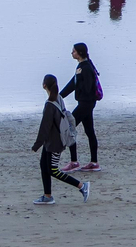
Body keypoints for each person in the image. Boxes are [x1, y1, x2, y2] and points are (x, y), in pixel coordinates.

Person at [31, 74, 88, 205]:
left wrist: (37, 145)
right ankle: (47, 196)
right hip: (51, 141)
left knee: (53, 170)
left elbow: (44, 127)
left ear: (44, 85)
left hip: (55, 143)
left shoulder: (50, 104)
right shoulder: (59, 98)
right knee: (43, 166)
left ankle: (82, 186)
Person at [60, 43, 102, 172]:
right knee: (89, 131)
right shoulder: (82, 66)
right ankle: (94, 163)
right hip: (85, 103)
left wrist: (79, 90)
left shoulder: (86, 67)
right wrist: (59, 96)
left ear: (80, 53)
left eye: (74, 51)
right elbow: (73, 84)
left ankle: (74, 162)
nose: (72, 53)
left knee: (69, 128)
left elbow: (87, 87)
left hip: (86, 103)